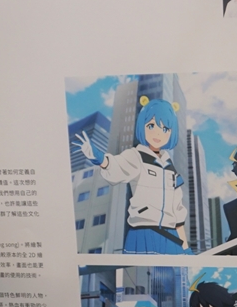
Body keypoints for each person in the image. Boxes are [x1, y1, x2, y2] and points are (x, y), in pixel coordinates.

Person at [75, 97, 189, 254]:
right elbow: (117, 167)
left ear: (171, 132)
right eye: (151, 126)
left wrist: (185, 247)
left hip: (171, 237)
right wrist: (100, 158)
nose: (157, 133)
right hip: (143, 232)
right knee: (141, 271)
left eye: (165, 129)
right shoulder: (136, 156)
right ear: (142, 126)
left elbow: (178, 209)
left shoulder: (171, 168)